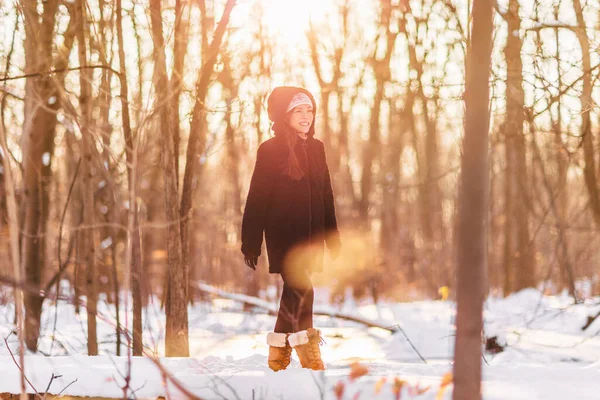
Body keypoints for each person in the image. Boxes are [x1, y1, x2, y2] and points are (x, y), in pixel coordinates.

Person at [241, 86, 341, 371]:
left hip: (311, 235)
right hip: (283, 235)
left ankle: (277, 356)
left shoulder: (317, 148)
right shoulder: (270, 150)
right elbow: (257, 198)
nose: (306, 116)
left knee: (294, 292)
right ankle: (310, 357)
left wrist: (333, 239)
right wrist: (250, 242)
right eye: (299, 110)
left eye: (309, 110)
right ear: (285, 115)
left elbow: (326, 195)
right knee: (303, 289)